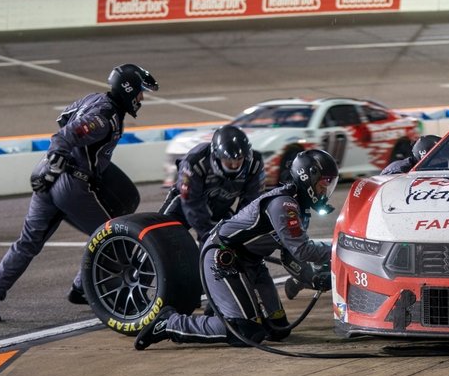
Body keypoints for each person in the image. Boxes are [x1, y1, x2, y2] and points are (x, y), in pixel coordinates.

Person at [0, 65, 159, 322]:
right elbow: (65, 134)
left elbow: (65, 117)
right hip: (71, 185)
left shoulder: (94, 99)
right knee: (113, 237)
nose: (141, 99)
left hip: (48, 178)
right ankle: (95, 291)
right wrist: (64, 160)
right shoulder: (105, 117)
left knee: (27, 242)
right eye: (140, 93)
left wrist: (59, 163)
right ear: (128, 89)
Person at [134, 149, 337, 350]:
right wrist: (339, 249)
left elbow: (290, 254)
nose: (325, 191)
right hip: (223, 257)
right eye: (324, 184)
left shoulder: (299, 208)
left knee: (278, 329)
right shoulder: (283, 204)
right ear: (307, 177)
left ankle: (220, 312)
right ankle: (170, 323)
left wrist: (311, 279)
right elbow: (302, 250)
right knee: (246, 332)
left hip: (251, 262)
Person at [159, 125, 264, 243]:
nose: (234, 165)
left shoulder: (254, 164)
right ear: (216, 157)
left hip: (220, 209)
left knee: (225, 251)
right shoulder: (195, 161)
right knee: (159, 235)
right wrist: (208, 233)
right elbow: (191, 203)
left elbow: (251, 202)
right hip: (183, 204)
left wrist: (239, 231)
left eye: (239, 160)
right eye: (229, 161)